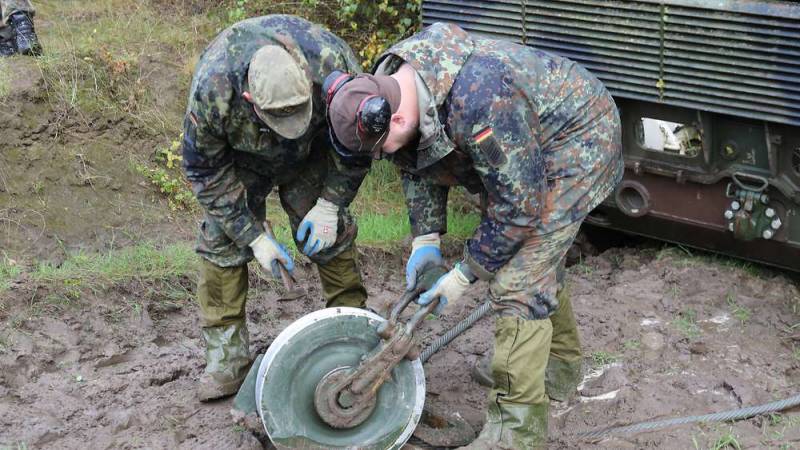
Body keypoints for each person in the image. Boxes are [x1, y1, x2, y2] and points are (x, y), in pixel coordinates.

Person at [325, 22, 623, 448]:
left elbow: (520, 208)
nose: (383, 157)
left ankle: (516, 434)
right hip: (520, 147)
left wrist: (465, 274)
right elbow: (415, 156)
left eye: (380, 148)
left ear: (398, 116)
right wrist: (425, 241)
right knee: (532, 259)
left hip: (577, 141)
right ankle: (558, 365)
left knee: (519, 278)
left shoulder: (480, 101)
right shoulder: (392, 77)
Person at [181, 14, 369, 402]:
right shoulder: (214, 88)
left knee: (328, 237)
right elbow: (205, 170)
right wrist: (252, 235)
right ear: (250, 100)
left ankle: (354, 331)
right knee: (221, 241)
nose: (292, 124)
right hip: (243, 159)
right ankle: (227, 359)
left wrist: (331, 203)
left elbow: (360, 142)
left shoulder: (332, 63)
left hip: (315, 151)